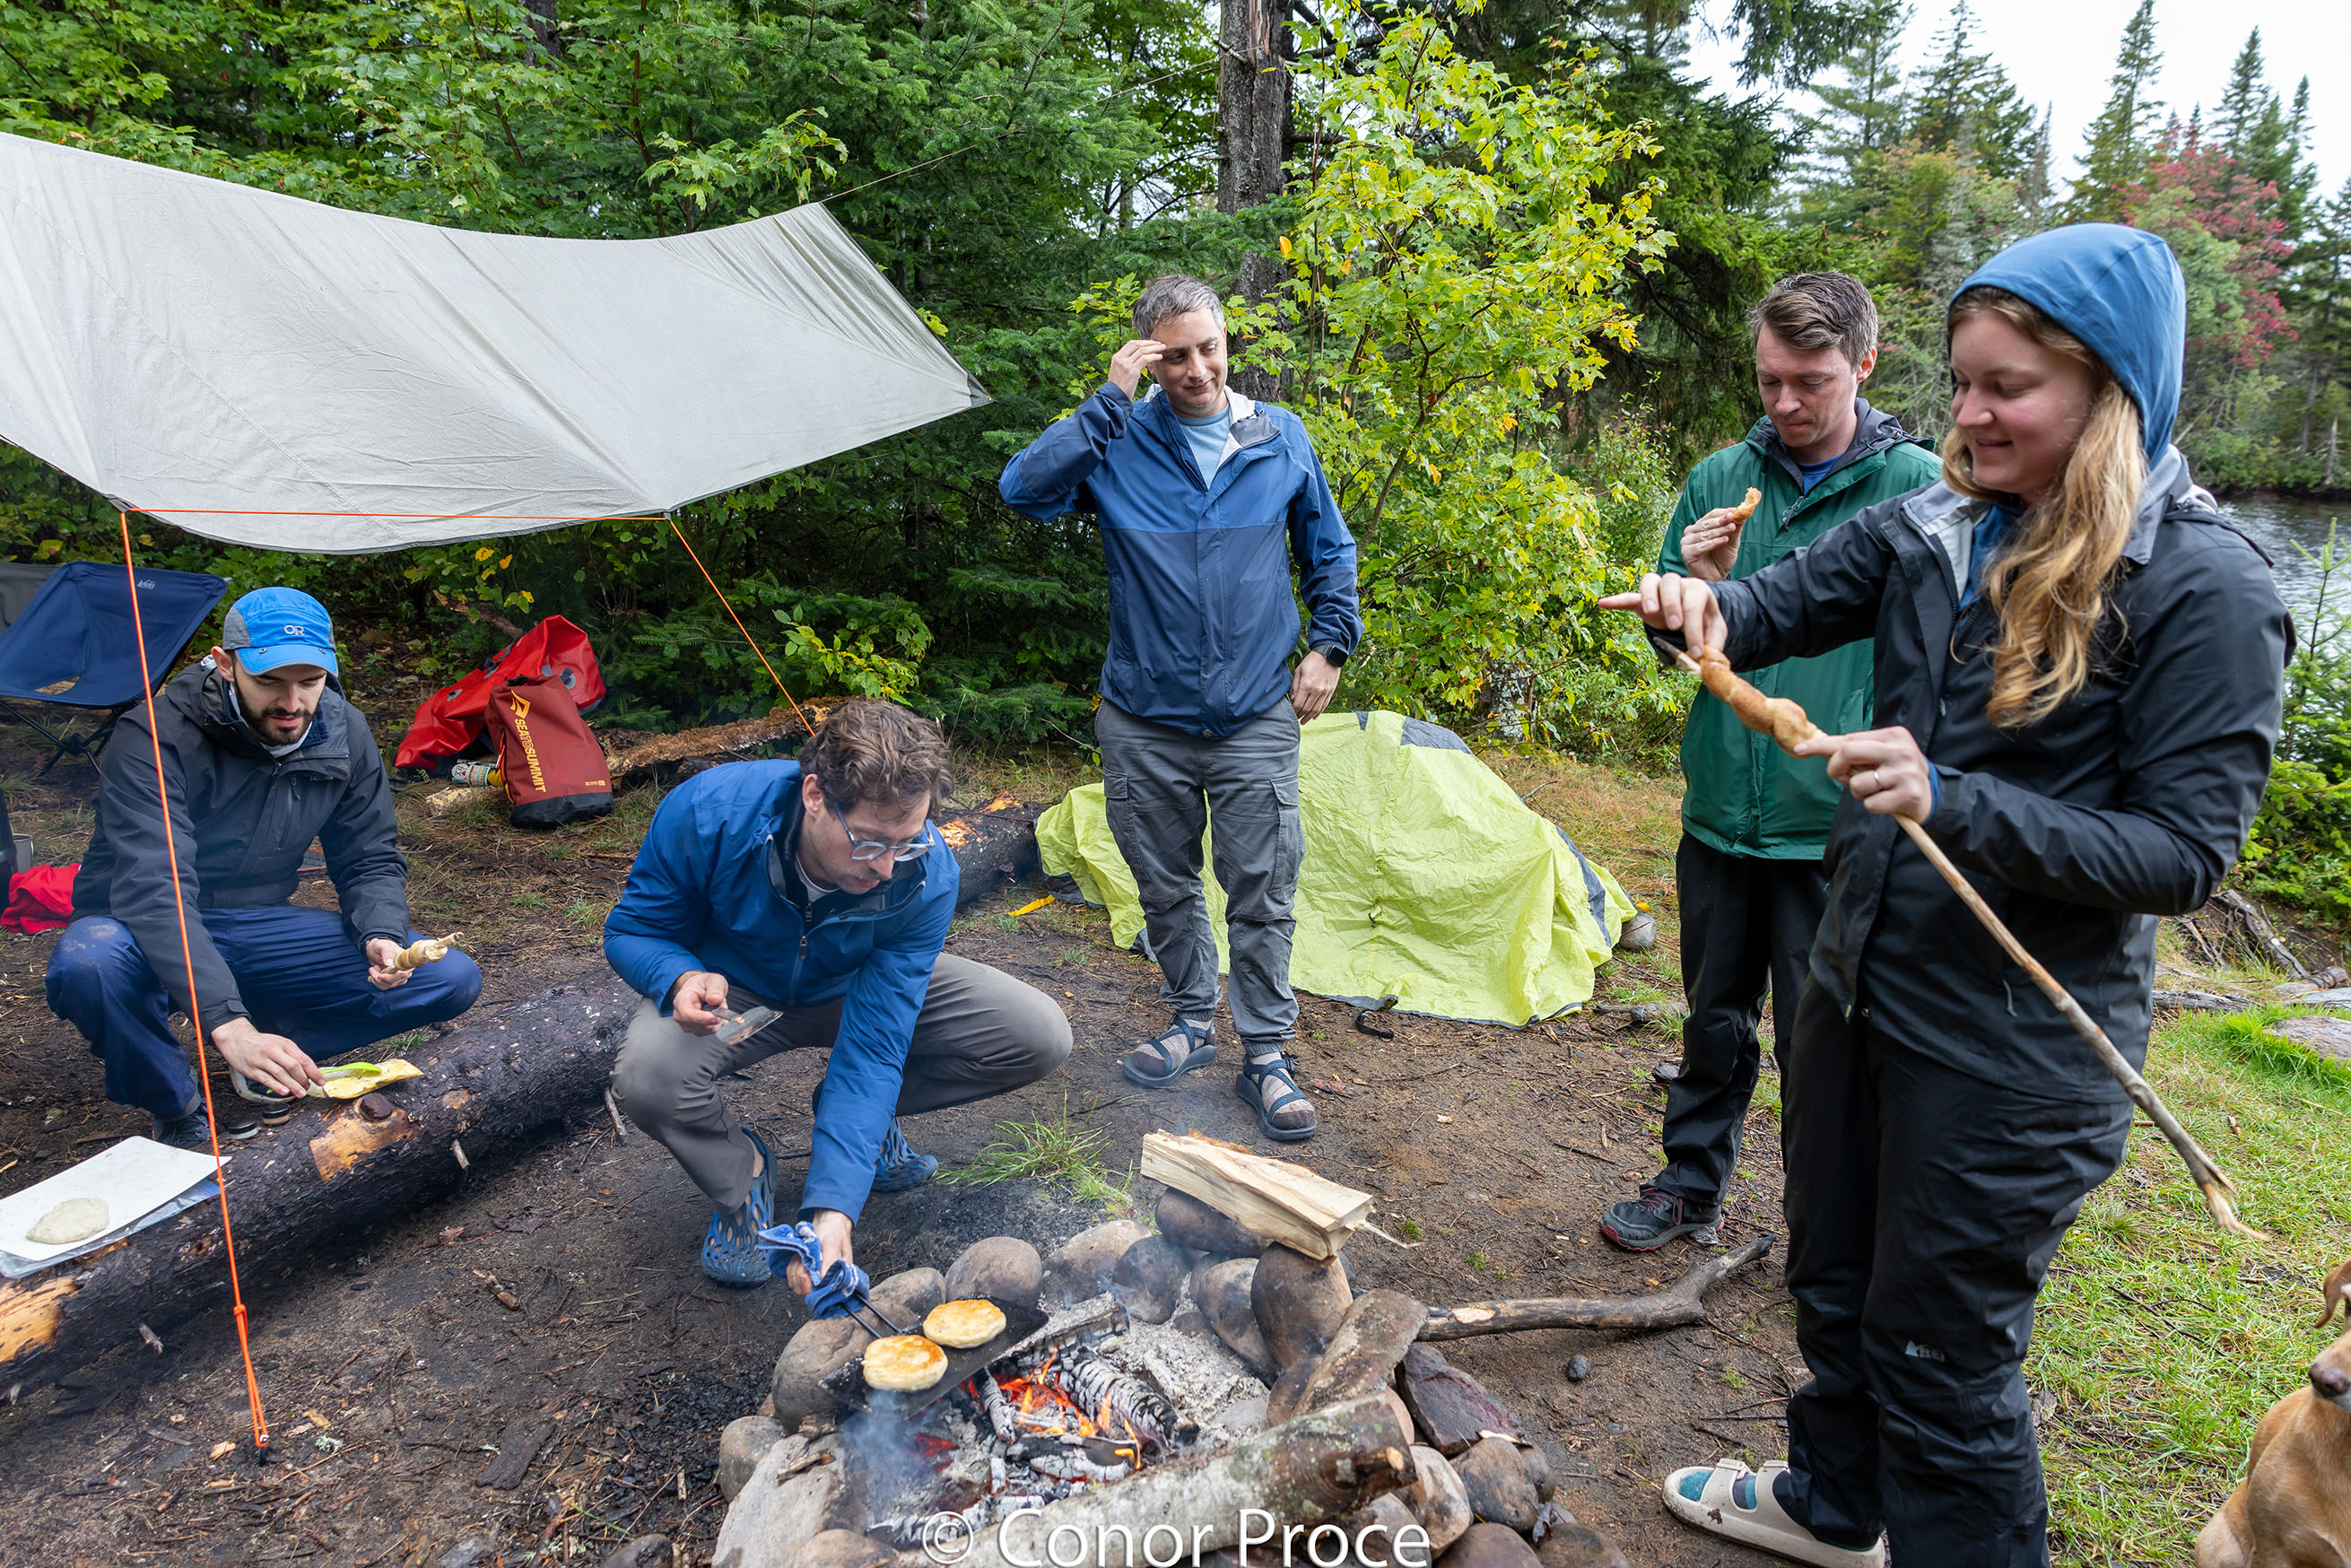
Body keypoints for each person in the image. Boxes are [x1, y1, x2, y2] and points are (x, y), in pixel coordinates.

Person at [1605, 224, 2288, 1565]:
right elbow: (1775, 606)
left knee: (1938, 1353)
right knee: (1834, 1273)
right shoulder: (1934, 523)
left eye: (2007, 388)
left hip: (2009, 1050)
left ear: (2113, 392)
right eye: (1962, 380)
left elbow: (2180, 854)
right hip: (1859, 978)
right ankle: (1834, 1505)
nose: (1968, 414)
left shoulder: (2205, 583)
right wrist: (1698, 609)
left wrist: (1950, 798)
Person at [1601, 274, 1941, 1252]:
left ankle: (1825, 1225)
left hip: (1832, 820)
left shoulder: (1918, 486)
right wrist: (1687, 592)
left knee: (1822, 1039)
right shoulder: (1719, 478)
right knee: (1712, 1016)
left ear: (1863, 364)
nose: (1785, 403)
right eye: (1768, 380)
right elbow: (1672, 645)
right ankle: (1687, 1183)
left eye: (1810, 381)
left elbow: (1942, 656)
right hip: (1720, 806)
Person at [997, 274, 1362, 1144]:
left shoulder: (1278, 436)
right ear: (1148, 359)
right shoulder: (1116, 439)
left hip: (1253, 713)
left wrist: (1328, 647)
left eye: (1209, 348)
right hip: (1142, 717)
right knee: (1163, 884)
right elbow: (1022, 490)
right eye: (1174, 356)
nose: (1196, 369)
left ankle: (1265, 1054)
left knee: (1261, 889)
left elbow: (1330, 552)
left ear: (1227, 342)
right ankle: (1192, 1021)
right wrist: (1106, 401)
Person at [605, 698, 1073, 1290]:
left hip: (855, 984)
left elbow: (875, 1046)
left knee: (1037, 1034)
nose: (886, 868)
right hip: (737, 995)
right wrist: (677, 977)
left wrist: (832, 1212)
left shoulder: (925, 874)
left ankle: (856, 1128)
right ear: (814, 796)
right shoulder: (710, 812)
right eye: (870, 841)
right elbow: (634, 930)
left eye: (906, 842)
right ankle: (743, 1180)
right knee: (648, 1077)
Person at [48, 587, 484, 1150]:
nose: (292, 702)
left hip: (255, 919)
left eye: (310, 681)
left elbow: (369, 854)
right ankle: (175, 1102)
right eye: (270, 681)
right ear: (226, 664)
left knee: (449, 978)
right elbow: (156, 887)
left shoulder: (344, 730)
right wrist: (227, 1023)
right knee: (90, 962)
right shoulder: (154, 735)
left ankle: (278, 1055)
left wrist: (380, 932)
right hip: (139, 922)